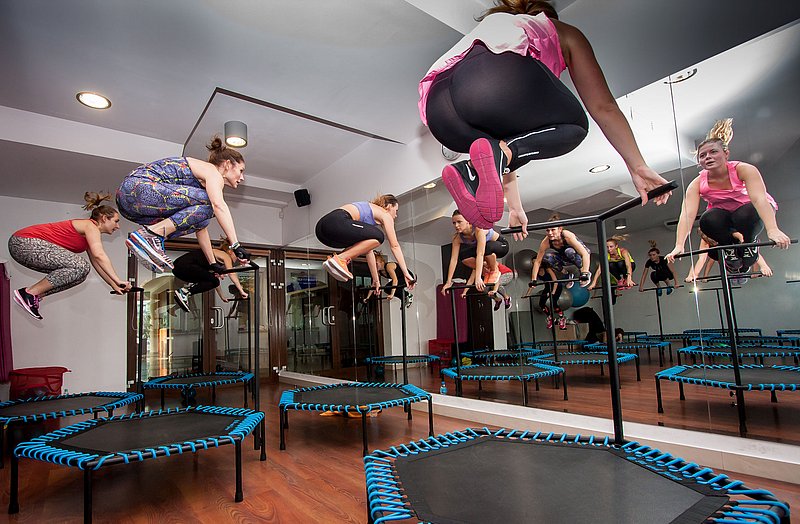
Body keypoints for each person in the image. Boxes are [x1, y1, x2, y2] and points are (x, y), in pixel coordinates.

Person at [419, 0, 670, 233]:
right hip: (488, 83)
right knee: (574, 125)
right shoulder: (562, 31)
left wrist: (515, 207)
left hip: (439, 113)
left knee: (517, 143)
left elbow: (503, 147)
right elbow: (604, 107)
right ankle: (475, 167)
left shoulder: (493, 29)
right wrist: (638, 165)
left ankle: (469, 171)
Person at [666, 119, 790, 270]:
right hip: (726, 219)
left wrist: (773, 229)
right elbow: (687, 214)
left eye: (713, 152)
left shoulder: (744, 169)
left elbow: (759, 199)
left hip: (751, 213)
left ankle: (749, 244)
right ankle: (728, 248)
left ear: (726, 154)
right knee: (708, 218)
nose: (708, 157)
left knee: (746, 213)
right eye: (703, 155)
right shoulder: (697, 183)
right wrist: (679, 245)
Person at [116, 136, 251, 274]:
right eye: (241, 170)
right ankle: (150, 235)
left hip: (130, 207)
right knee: (211, 204)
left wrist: (212, 263)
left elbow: (201, 229)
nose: (242, 177)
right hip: (138, 188)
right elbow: (218, 205)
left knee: (201, 219)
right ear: (228, 164)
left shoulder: (202, 187)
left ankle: (151, 238)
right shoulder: (212, 171)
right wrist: (235, 245)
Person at [8, 192, 131, 319]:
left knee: (80, 275)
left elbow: (97, 263)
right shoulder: (90, 226)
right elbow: (99, 255)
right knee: (80, 267)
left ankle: (34, 296)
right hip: (23, 242)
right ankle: (29, 293)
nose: (118, 226)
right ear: (104, 218)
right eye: (116, 221)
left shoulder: (88, 235)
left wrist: (113, 284)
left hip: (25, 250)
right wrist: (118, 279)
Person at [315, 195, 415, 293]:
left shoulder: (368, 216)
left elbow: (368, 251)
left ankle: (337, 260)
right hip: (336, 222)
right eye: (396, 211)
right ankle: (340, 259)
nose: (396, 215)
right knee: (379, 236)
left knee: (361, 244)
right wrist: (405, 273)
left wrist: (376, 280)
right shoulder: (385, 214)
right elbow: (395, 246)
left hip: (323, 231)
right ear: (389, 206)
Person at [441, 210, 510, 295]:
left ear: (468, 221)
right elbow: (453, 260)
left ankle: (494, 270)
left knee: (486, 247)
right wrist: (448, 282)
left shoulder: (478, 230)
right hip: (486, 251)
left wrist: (478, 278)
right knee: (463, 255)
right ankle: (485, 270)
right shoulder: (457, 238)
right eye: (454, 223)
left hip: (501, 246)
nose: (456, 225)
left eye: (459, 222)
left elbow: (480, 254)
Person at [171, 239, 249, 312]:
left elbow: (214, 282)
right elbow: (232, 273)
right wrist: (241, 291)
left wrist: (222, 296)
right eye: (238, 255)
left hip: (179, 269)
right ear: (230, 251)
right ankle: (185, 292)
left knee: (213, 279)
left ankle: (185, 292)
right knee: (214, 279)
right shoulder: (225, 255)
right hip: (185, 265)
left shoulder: (215, 263)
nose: (238, 258)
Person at [530, 214, 591, 290]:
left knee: (569, 251)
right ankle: (567, 274)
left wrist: (585, 272)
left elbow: (585, 254)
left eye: (553, 230)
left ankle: (583, 271)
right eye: (547, 230)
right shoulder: (546, 242)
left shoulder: (567, 236)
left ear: (560, 229)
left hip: (580, 255)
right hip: (565, 257)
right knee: (547, 257)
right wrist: (534, 279)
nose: (550, 233)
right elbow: (537, 261)